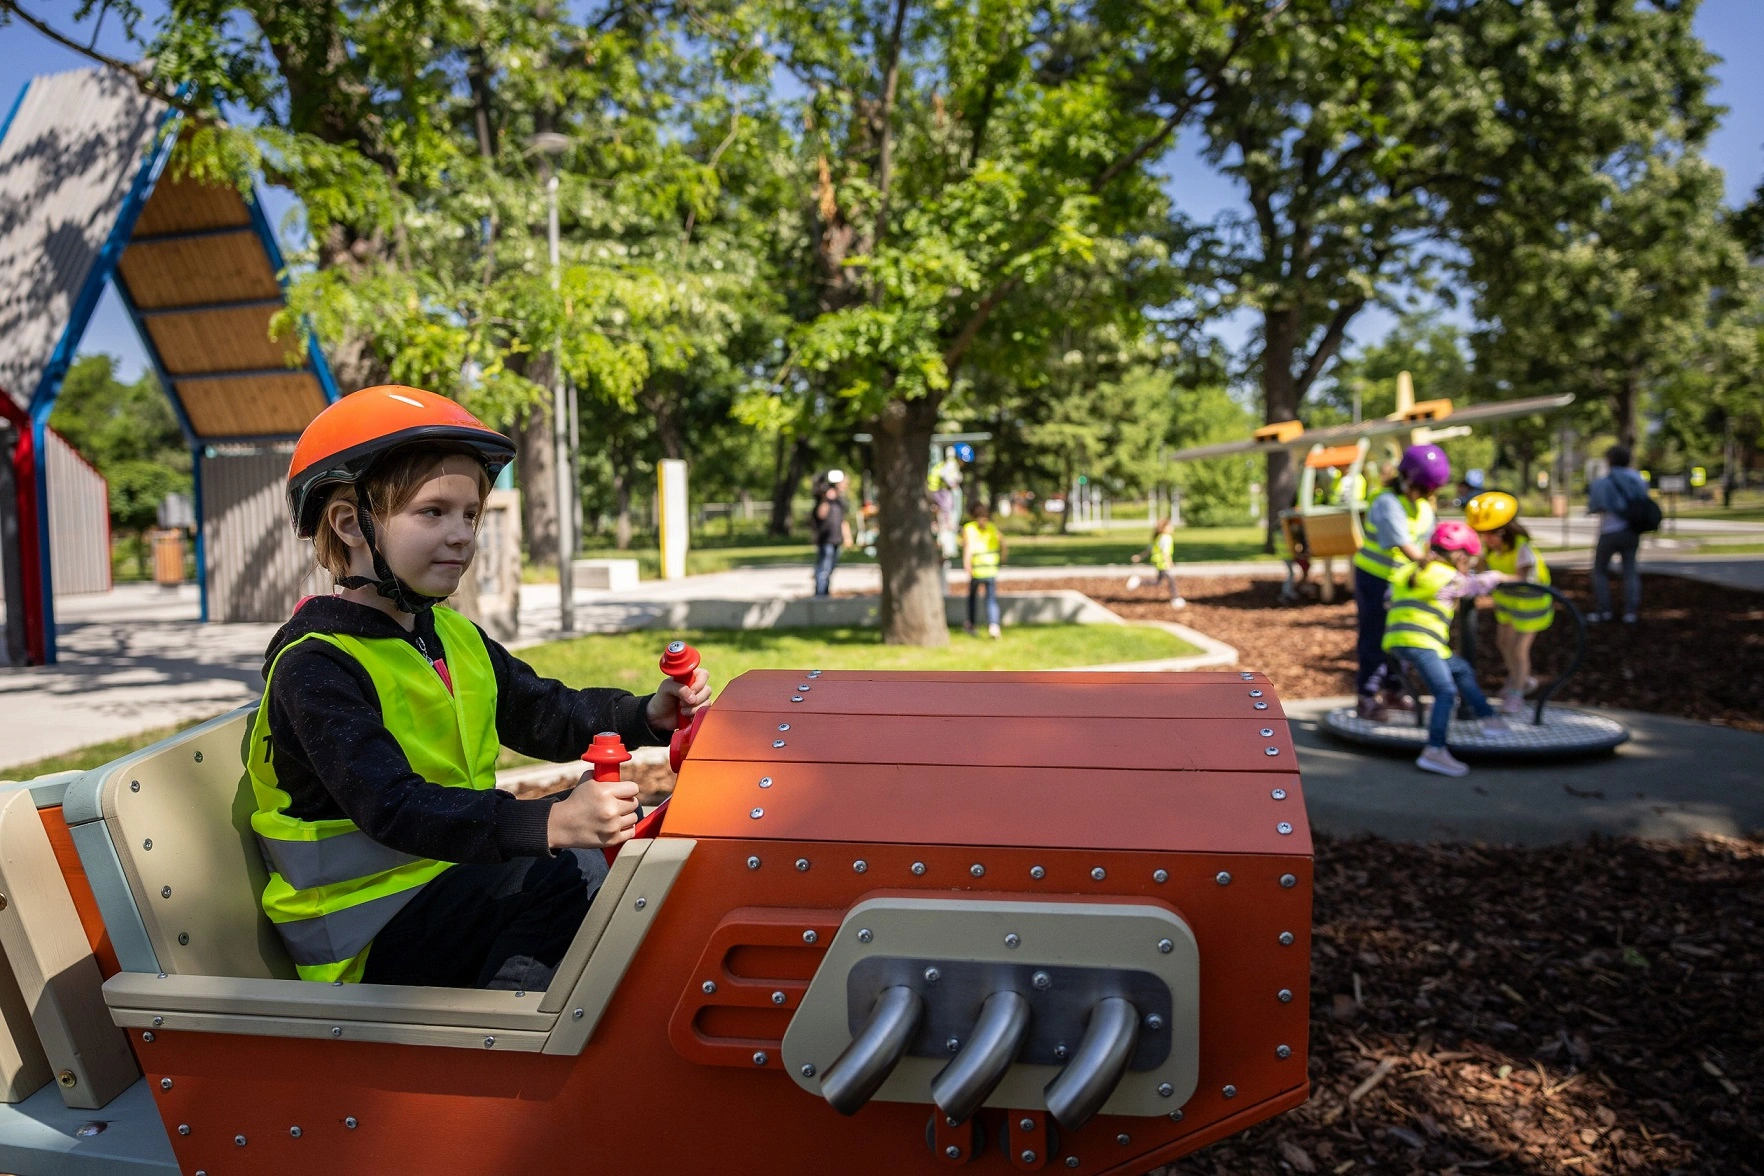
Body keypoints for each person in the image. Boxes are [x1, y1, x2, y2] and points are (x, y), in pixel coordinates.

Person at [255, 385, 711, 989]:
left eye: (470, 514)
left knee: (611, 843)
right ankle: (510, 1053)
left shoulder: (449, 635)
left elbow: (547, 712)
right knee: (561, 869)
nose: (462, 534)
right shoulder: (315, 665)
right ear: (350, 525)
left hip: (445, 882)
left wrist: (645, 715)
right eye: (432, 512)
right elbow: (392, 807)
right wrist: (547, 825)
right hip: (362, 935)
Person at [1382, 520, 1514, 777]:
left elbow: (1388, 599)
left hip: (1397, 640)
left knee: (1461, 669)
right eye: (1471, 560)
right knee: (1445, 692)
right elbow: (1477, 586)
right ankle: (1434, 749)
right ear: (1461, 555)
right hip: (1422, 643)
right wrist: (1498, 576)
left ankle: (1489, 719)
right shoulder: (1449, 577)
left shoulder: (1408, 570)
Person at [1351, 444, 1451, 720]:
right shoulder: (1386, 502)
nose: (1426, 495)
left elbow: (1429, 541)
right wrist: (1443, 567)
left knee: (1402, 635)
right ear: (1407, 479)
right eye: (1423, 488)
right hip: (1375, 580)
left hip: (1403, 583)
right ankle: (1366, 696)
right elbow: (1410, 548)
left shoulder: (1421, 507)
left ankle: (1395, 690)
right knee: (1375, 637)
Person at [1466, 491, 1552, 714]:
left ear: (1504, 530)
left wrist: (1499, 577)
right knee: (1503, 643)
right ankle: (1519, 679)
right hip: (1508, 606)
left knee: (1518, 650)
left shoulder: (1522, 548)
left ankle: (1517, 691)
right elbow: (1482, 566)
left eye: (1490, 534)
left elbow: (1522, 577)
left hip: (1530, 608)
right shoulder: (1492, 547)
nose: (1486, 539)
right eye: (1483, 534)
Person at [1586, 444, 1647, 623]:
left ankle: (1604, 610)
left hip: (1609, 531)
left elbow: (1594, 506)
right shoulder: (1638, 479)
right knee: (1630, 571)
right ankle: (1630, 612)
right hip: (1631, 531)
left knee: (1600, 571)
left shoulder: (1603, 482)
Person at [961, 502, 1005, 638]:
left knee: (973, 598)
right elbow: (1003, 543)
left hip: (977, 569)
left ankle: (971, 624)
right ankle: (994, 625)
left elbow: (968, 548)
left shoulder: (969, 528)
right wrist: (1002, 558)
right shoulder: (991, 527)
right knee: (991, 599)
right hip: (990, 568)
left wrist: (966, 564)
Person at [1127, 517, 1186, 607]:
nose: (1172, 528)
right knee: (1171, 580)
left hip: (1158, 562)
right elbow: (1165, 552)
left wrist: (1139, 557)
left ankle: (1139, 581)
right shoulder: (1166, 538)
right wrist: (1169, 562)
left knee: (1158, 582)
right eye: (1170, 526)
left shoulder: (1158, 538)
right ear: (1164, 528)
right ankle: (1176, 598)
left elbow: (1149, 550)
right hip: (1163, 563)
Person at [811, 469, 852, 597]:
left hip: (836, 539)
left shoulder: (839, 502)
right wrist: (826, 499)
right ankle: (820, 593)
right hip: (826, 540)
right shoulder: (824, 501)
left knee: (831, 568)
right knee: (824, 567)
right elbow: (820, 515)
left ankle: (825, 592)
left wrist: (847, 536)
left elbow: (842, 520)